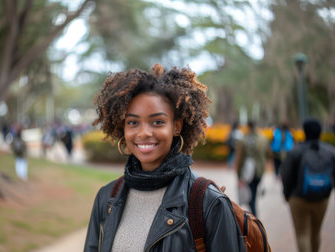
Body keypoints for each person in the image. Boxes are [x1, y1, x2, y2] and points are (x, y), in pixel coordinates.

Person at [84, 64, 245, 251]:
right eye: (133, 122)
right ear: (123, 127)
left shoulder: (207, 202)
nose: (144, 132)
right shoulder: (106, 198)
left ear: (176, 126)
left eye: (157, 122)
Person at [281, 119, 335, 252]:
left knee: (302, 234)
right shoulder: (330, 151)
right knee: (316, 233)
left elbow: (286, 175)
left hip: (298, 199)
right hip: (322, 198)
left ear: (304, 131)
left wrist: (288, 195)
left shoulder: (296, 151)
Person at [235, 120, 269, 216]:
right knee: (253, 194)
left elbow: (239, 159)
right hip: (259, 171)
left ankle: (254, 218)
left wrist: (238, 175)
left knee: (251, 196)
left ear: (248, 127)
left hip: (247, 172)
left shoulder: (243, 140)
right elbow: (267, 154)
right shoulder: (263, 139)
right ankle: (254, 216)